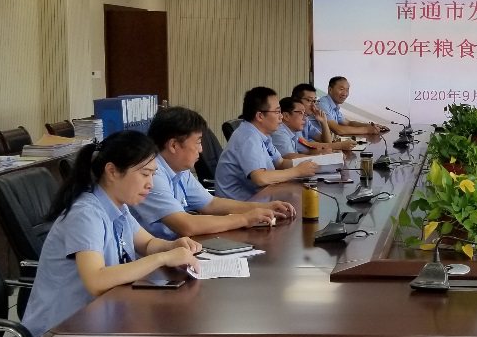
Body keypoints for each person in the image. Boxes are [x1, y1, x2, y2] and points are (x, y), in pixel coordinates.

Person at [20, 131, 201, 337]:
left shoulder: (118, 207)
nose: (150, 184)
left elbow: (147, 243)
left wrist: (173, 246)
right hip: (57, 336)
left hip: (97, 321)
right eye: (145, 174)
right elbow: (96, 281)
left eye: (153, 175)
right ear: (112, 171)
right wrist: (163, 258)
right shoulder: (86, 215)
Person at [132, 105, 296, 239]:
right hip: (155, 257)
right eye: (197, 143)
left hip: (178, 246)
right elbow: (186, 225)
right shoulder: (152, 174)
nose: (201, 149)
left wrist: (263, 207)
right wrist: (245, 219)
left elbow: (210, 204)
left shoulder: (179, 170)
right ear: (173, 145)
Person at [215, 86, 320, 199]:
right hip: (241, 203)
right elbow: (260, 178)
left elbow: (280, 163)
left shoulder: (263, 135)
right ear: (260, 116)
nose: (281, 117)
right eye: (277, 112)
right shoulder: (248, 137)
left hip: (260, 196)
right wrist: (297, 171)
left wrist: (312, 163)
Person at [271, 96, 354, 159]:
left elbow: (307, 150)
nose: (304, 117)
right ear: (286, 116)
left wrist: (329, 153)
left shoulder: (293, 129)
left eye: (314, 101)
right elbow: (289, 157)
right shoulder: (279, 131)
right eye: (300, 113)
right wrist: (321, 156)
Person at [317, 76, 386, 137]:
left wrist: (370, 126)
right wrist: (367, 130)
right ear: (330, 90)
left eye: (347, 90)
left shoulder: (333, 106)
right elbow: (338, 130)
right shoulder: (323, 104)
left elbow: (348, 123)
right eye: (341, 89)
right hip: (317, 145)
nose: (345, 94)